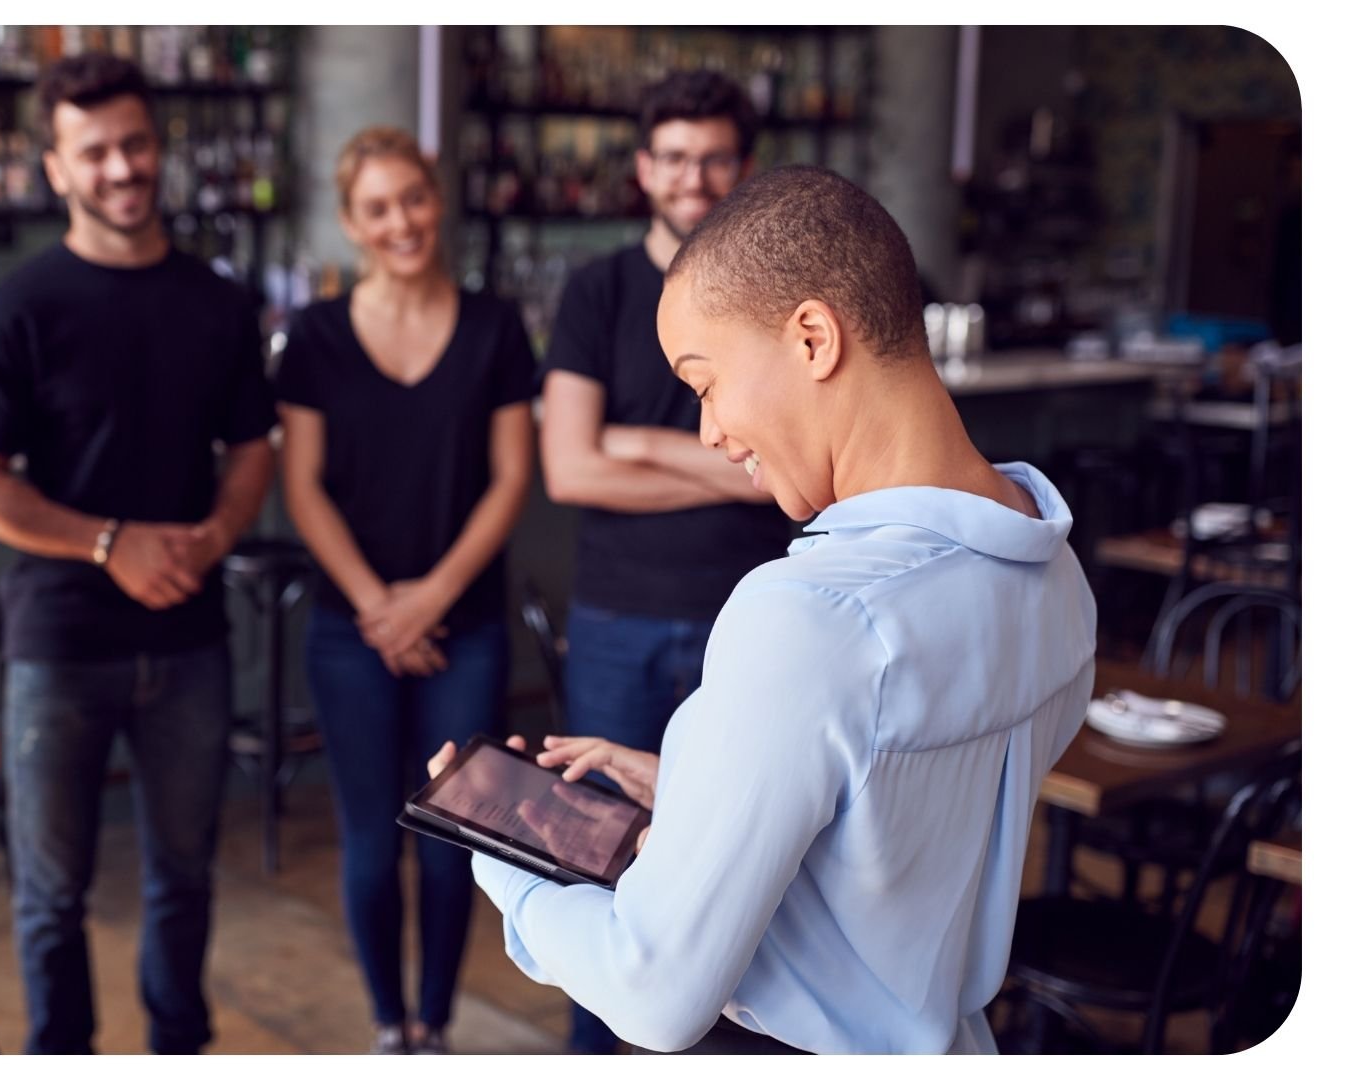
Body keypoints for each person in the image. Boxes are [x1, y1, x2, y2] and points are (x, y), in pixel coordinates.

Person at [431, 165, 1097, 1054]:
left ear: (813, 337)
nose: (707, 431)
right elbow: (904, 839)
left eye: (704, 383)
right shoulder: (1054, 573)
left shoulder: (810, 617)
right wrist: (709, 794)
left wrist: (507, 862)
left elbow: (654, 991)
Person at [0, 53, 276, 1055]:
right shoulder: (19, 305)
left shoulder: (218, 301)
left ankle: (178, 1051)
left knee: (183, 877)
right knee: (51, 894)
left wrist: (215, 537)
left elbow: (253, 449)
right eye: (95, 152)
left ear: (159, 148)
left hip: (187, 638)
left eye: (135, 144)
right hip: (58, 642)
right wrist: (109, 544)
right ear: (57, 169)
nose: (122, 168)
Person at [533, 68, 791, 1055]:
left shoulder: (776, 297)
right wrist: (731, 468)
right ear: (644, 167)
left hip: (755, 621)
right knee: (596, 857)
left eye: (715, 156)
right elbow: (568, 466)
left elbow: (784, 477)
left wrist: (634, 444)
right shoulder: (596, 290)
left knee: (745, 860)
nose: (694, 176)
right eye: (675, 157)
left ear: (744, 168)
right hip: (618, 619)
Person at [273, 127, 536, 1055]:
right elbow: (300, 485)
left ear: (439, 199)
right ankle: (391, 1029)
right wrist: (382, 609)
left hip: (462, 625)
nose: (401, 222)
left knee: (452, 835)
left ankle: (439, 1025)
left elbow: (512, 478)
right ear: (351, 224)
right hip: (353, 631)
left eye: (413, 199)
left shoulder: (496, 326)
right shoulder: (315, 335)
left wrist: (429, 600)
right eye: (378, 208)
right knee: (370, 837)